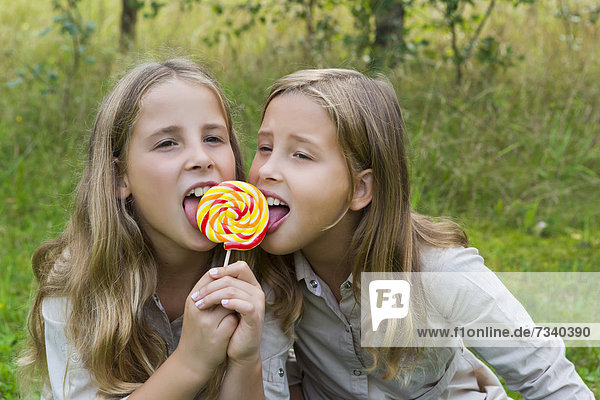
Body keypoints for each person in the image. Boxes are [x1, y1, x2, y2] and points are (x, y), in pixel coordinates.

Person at [241, 68, 593, 399]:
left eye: (301, 155)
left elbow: (547, 376)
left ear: (360, 189)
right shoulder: (267, 272)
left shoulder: (439, 272)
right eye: (265, 148)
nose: (267, 170)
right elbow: (268, 385)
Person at [19, 58, 266, 400]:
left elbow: (370, 359)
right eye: (167, 143)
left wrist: (245, 360)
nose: (201, 157)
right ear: (121, 177)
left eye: (213, 138)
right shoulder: (80, 281)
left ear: (363, 189)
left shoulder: (265, 272)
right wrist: (191, 362)